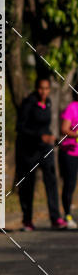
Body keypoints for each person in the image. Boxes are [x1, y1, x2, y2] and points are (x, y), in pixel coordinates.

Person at [15, 77, 67, 231]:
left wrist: (53, 138)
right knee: (28, 185)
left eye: (46, 89)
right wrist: (39, 136)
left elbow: (46, 127)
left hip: (46, 149)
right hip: (29, 150)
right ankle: (27, 220)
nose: (43, 92)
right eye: (40, 88)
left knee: (51, 181)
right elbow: (20, 127)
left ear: (49, 89)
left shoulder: (49, 102)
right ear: (36, 88)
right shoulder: (29, 103)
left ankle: (55, 218)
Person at [58, 97, 78, 228]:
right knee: (70, 184)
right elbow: (64, 129)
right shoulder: (72, 107)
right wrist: (76, 135)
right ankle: (67, 215)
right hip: (70, 152)